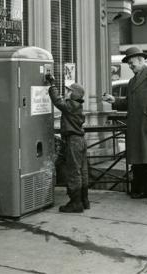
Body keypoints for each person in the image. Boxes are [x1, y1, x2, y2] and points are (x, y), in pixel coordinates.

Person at [103, 46, 147, 205]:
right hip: (136, 127)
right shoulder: (132, 81)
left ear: (141, 60)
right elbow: (128, 103)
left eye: (132, 63)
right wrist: (115, 101)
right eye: (129, 64)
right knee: (140, 160)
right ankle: (143, 190)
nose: (130, 66)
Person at [45, 74, 89, 213]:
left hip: (73, 141)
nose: (67, 93)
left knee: (73, 172)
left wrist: (52, 85)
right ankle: (83, 200)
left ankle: (75, 203)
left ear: (74, 94)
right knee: (82, 171)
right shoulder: (78, 106)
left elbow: (58, 102)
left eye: (69, 91)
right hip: (80, 141)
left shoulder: (71, 105)